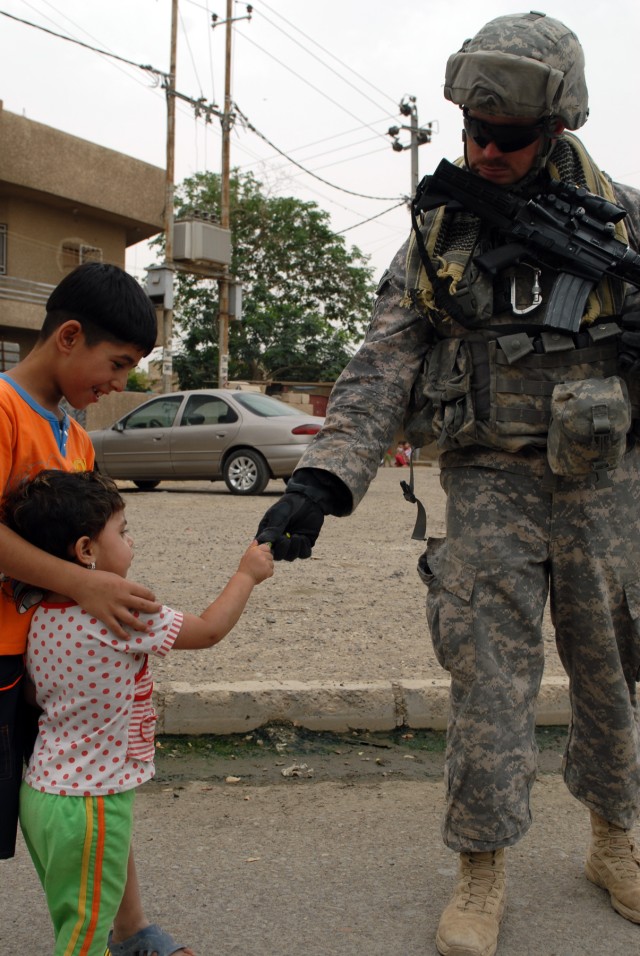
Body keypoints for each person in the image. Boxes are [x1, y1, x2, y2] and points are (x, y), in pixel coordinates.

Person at [255, 12, 640, 956]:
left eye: (504, 137)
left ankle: (615, 839)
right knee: (487, 682)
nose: (483, 150)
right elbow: (382, 361)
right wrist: (323, 481)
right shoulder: (443, 234)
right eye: (470, 131)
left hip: (605, 487)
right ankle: (481, 868)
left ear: (557, 127)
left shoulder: (627, 219)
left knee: (614, 673)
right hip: (488, 483)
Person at [0, 262, 192, 956]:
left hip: (39, 656)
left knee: (97, 788)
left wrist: (106, 580)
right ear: (69, 336)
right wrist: (81, 586)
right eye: (116, 365)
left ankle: (131, 928)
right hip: (0, 652)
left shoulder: (74, 436)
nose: (118, 384)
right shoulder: (2, 411)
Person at [2, 468, 274, 955]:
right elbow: (210, 630)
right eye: (123, 532)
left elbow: (33, 696)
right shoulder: (123, 613)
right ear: (86, 551)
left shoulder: (38, 611)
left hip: (41, 795)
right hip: (91, 804)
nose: (132, 542)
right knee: (83, 941)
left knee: (77, 918)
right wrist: (246, 573)